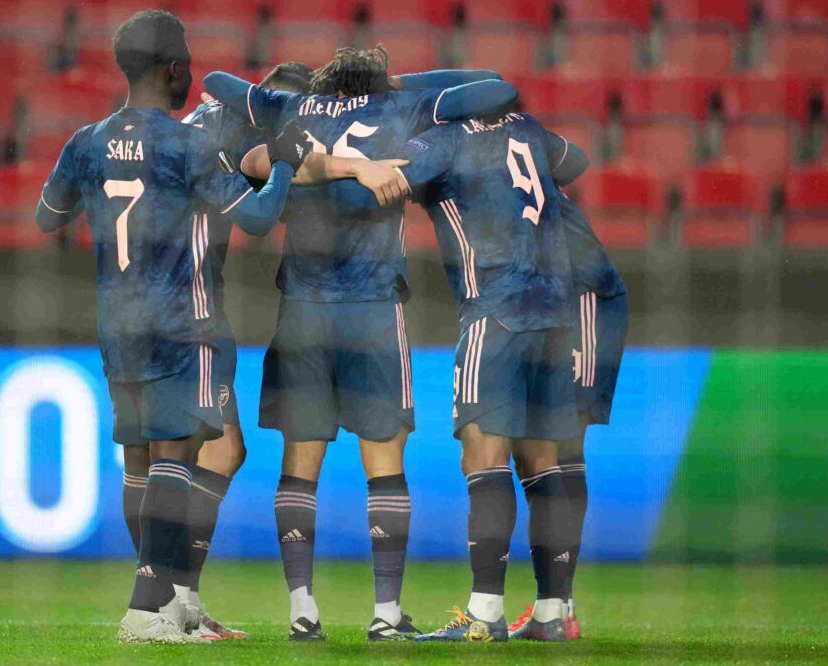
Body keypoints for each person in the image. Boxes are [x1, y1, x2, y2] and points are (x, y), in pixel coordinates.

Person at [203, 47, 518, 641]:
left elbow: (217, 81)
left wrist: (280, 107)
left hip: (302, 307)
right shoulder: (400, 105)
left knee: (300, 464)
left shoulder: (290, 108)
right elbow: (495, 87)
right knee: (384, 460)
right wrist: (398, 83)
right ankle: (386, 614)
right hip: (372, 307)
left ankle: (302, 611)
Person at [34, 9, 311, 645]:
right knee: (175, 456)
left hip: (118, 322)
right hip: (183, 322)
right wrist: (287, 163)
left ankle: (170, 604)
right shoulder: (190, 145)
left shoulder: (86, 140)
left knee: (140, 460)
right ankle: (149, 608)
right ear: (175, 68)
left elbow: (48, 217)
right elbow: (260, 219)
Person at [326, 108, 590, 642]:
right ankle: (551, 612)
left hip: (495, 312)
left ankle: (485, 613)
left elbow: (377, 187)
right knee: (542, 462)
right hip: (555, 313)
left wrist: (338, 167)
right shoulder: (525, 126)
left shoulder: (443, 141)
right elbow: (576, 161)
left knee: (482, 456)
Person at [165, 60, 408, 639]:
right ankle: (168, 601)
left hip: (153, 299)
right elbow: (275, 185)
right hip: (189, 309)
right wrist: (359, 161)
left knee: (218, 452)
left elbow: (220, 89)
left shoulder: (202, 123)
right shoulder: (247, 137)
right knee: (205, 454)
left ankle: (192, 602)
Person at [507, 188, 629, 641]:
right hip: (547, 308)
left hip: (583, 302)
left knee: (561, 447)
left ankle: (560, 607)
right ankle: (555, 605)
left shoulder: (521, 172)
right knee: (533, 452)